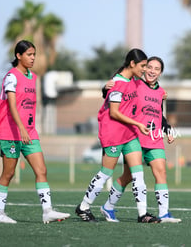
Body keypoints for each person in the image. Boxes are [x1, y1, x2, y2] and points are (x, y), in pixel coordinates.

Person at [75, 48, 160, 223]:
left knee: (138, 174)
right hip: (113, 134)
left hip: (129, 134)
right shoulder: (117, 82)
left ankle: (142, 214)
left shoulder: (135, 81)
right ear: (132, 64)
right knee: (106, 173)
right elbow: (113, 113)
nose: (145, 69)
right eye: (143, 66)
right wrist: (137, 123)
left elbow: (150, 90)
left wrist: (162, 94)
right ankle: (83, 207)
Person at [0, 40, 70, 224]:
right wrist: (21, 129)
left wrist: (28, 129)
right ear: (18, 56)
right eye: (29, 54)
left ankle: (47, 211)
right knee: (8, 174)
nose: (33, 57)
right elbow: (12, 105)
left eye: (34, 54)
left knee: (41, 170)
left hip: (29, 132)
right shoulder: (11, 76)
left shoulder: (33, 77)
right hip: (10, 133)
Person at [100, 56, 181, 223]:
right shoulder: (134, 84)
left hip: (154, 139)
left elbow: (160, 115)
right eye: (149, 67)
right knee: (127, 177)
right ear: (144, 68)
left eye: (156, 69)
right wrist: (104, 88)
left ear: (160, 73)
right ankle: (108, 206)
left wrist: (167, 130)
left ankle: (164, 214)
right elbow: (113, 94)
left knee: (161, 172)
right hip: (134, 138)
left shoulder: (160, 92)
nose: (151, 71)